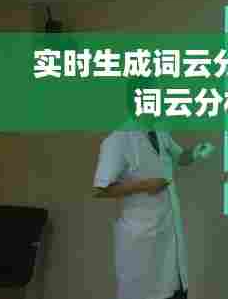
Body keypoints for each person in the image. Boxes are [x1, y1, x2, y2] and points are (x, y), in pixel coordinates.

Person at [92, 77, 215, 299]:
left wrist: (196, 152)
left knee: (174, 291)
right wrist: (144, 185)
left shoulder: (160, 130)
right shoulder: (119, 139)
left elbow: (180, 157)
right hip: (142, 243)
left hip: (168, 233)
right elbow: (100, 189)